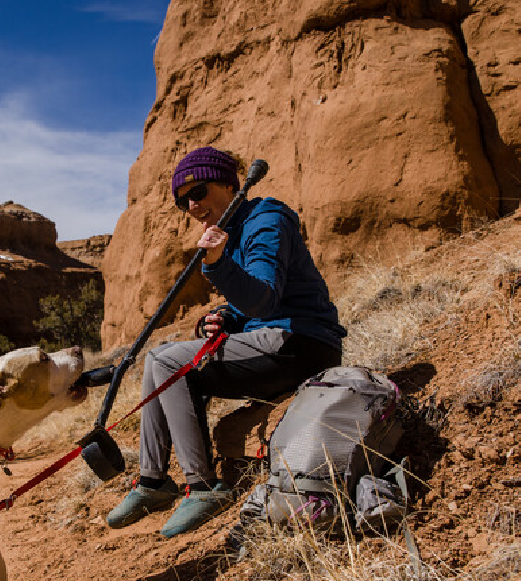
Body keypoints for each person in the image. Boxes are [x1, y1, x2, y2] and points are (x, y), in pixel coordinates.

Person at [105, 146, 346, 537]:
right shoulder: (234, 231)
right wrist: (225, 317)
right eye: (184, 202)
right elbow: (250, 305)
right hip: (275, 339)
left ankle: (202, 487)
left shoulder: (266, 219)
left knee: (168, 363)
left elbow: (265, 299)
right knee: (158, 359)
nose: (192, 206)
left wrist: (217, 264)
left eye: (198, 192)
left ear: (230, 184)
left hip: (301, 342)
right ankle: (153, 481)